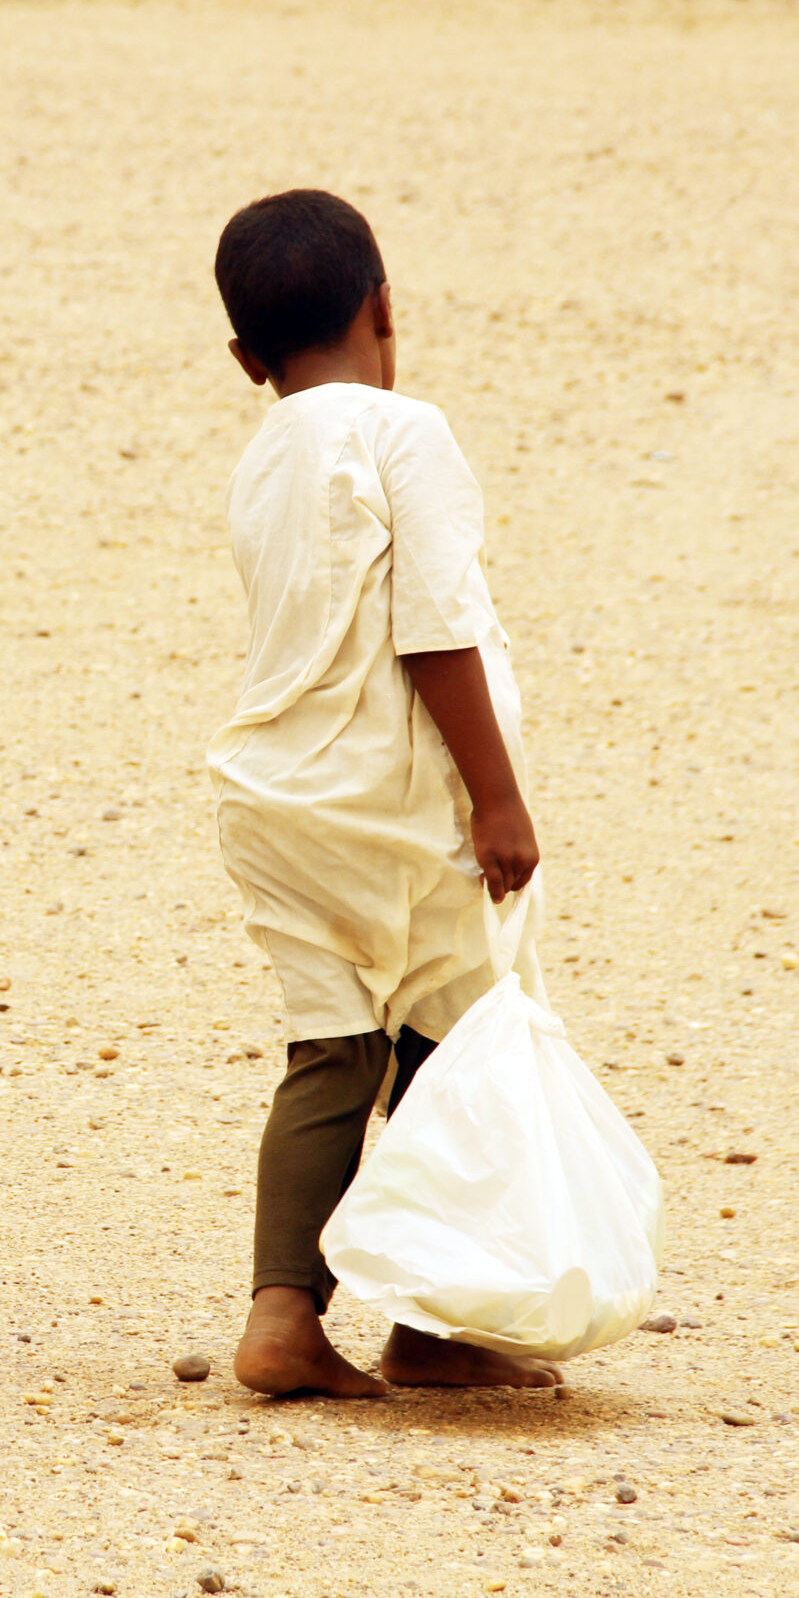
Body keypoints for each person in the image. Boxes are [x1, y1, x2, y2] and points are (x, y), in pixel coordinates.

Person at [205, 191, 563, 1398]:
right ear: (384, 306)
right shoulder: (405, 431)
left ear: (249, 359)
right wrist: (498, 798)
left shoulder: (263, 452)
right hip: (393, 799)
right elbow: (435, 627)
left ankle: (282, 1320)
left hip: (274, 792)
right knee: (449, 1046)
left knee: (333, 1048)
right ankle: (431, 1326)